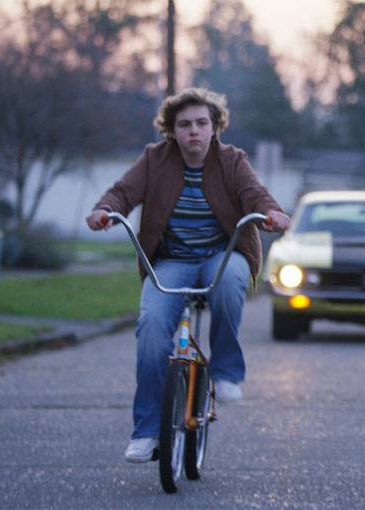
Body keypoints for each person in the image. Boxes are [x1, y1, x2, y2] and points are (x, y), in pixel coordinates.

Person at [84, 88, 291, 463]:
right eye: (184, 125)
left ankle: (226, 371)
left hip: (221, 255)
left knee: (229, 284)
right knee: (150, 329)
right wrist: (104, 211)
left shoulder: (232, 161)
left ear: (215, 128)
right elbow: (123, 193)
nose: (193, 131)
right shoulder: (154, 159)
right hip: (171, 260)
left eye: (201, 123)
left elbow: (254, 195)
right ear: (171, 130)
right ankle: (146, 432)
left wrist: (272, 214)